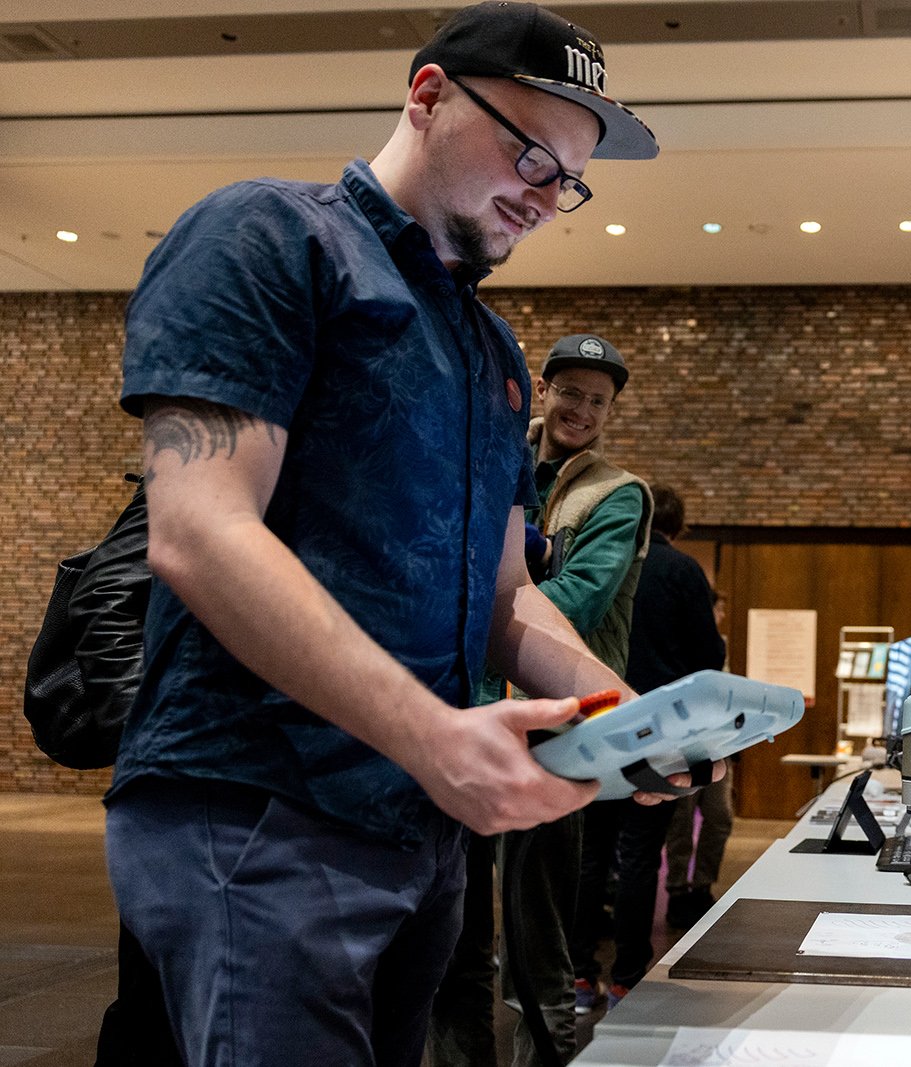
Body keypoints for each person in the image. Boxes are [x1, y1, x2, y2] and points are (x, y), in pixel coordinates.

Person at [101, 5, 719, 1064]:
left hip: (421, 829)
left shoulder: (490, 347)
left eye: (567, 177)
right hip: (260, 806)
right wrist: (434, 737)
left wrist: (627, 714)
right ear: (427, 96)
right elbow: (200, 533)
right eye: (530, 149)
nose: (545, 193)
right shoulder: (267, 238)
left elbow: (506, 597)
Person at [496, 332, 653, 1064]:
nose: (582, 409)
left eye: (599, 400)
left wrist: (473, 603)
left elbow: (579, 602)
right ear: (544, 388)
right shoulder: (496, 453)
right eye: (571, 392)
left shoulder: (617, 493)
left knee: (540, 938)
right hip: (471, 711)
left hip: (563, 728)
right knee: (456, 938)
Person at [569, 485, 725, 1010]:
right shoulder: (683, 571)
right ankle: (626, 981)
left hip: (598, 721)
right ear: (677, 527)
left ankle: (580, 978)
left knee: (589, 858)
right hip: (658, 734)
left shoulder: (601, 563)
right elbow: (709, 656)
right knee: (640, 859)